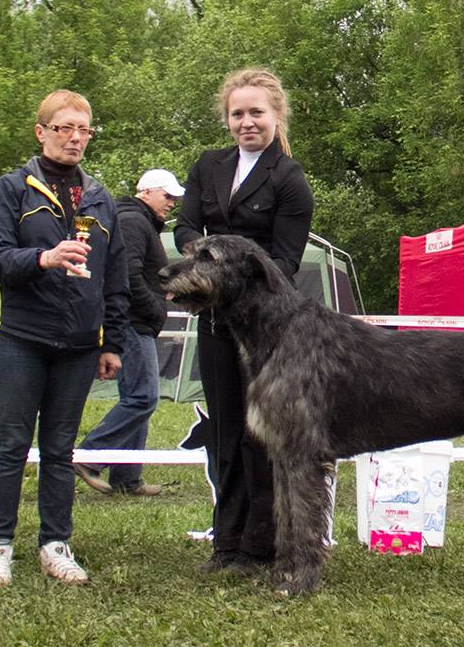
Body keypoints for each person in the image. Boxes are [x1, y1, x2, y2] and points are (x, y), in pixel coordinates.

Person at [0, 89, 130, 587]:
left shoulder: (101, 197)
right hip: (18, 335)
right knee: (12, 444)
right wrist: (43, 258)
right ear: (41, 132)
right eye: (65, 128)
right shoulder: (11, 189)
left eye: (84, 129)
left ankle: (54, 544)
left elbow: (116, 275)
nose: (76, 138)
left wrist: (112, 342)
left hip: (81, 342)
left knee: (60, 449)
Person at [174, 69, 313, 574]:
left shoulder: (290, 180)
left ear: (276, 115)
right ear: (227, 119)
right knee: (225, 430)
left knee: (263, 438)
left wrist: (221, 267)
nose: (247, 122)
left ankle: (261, 545)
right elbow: (186, 226)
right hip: (215, 323)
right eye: (238, 114)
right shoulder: (208, 167)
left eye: (257, 112)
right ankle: (226, 541)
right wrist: (210, 263)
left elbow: (286, 263)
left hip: (268, 331)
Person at [75, 169, 185, 496]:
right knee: (143, 397)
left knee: (136, 397)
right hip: (132, 322)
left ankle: (126, 478)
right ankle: (86, 457)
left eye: (175, 198)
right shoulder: (134, 222)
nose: (172, 204)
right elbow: (127, 276)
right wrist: (155, 307)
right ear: (146, 193)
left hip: (136, 321)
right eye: (167, 196)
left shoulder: (138, 221)